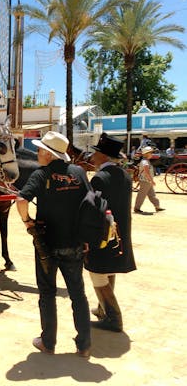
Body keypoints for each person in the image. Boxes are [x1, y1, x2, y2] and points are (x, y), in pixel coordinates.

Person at [16, 131, 92, 358]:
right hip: (75, 244)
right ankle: (84, 345)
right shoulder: (78, 172)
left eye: (40, 150)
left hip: (46, 246)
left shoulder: (42, 174)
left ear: (48, 154)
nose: (38, 153)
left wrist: (27, 221)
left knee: (47, 293)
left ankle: (48, 343)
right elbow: (90, 204)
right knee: (78, 294)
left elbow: (21, 200)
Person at [86, 133, 136, 333]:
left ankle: (114, 318)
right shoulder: (124, 174)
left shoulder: (99, 178)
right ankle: (102, 308)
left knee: (97, 273)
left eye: (97, 153)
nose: (94, 156)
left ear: (104, 157)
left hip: (103, 233)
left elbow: (93, 210)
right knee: (110, 270)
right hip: (120, 232)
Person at [134, 146, 165, 214]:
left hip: (147, 181)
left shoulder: (146, 161)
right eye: (150, 153)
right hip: (145, 180)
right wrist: (152, 181)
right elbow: (147, 172)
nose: (152, 154)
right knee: (142, 195)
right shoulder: (145, 162)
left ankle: (157, 206)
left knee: (152, 194)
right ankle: (137, 208)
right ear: (147, 154)